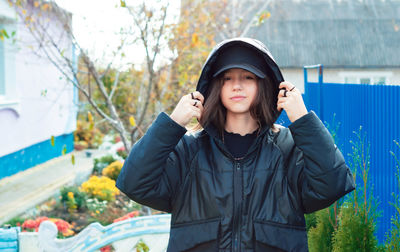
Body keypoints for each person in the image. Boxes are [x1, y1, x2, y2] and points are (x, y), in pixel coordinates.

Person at [116, 38, 355, 252]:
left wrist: (303, 120)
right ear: (214, 87)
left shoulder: (287, 148)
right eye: (227, 78)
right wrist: (173, 123)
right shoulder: (188, 150)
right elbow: (134, 183)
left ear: (264, 85)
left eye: (248, 77)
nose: (236, 85)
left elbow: (332, 185)